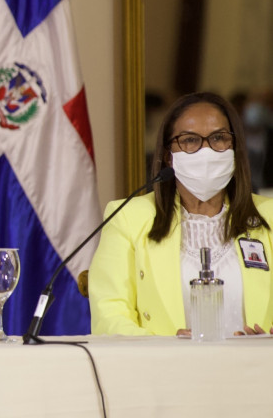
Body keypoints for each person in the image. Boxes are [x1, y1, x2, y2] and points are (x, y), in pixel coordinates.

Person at [90, 92, 273, 336]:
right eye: (190, 140)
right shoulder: (128, 218)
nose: (206, 151)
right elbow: (109, 317)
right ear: (168, 156)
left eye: (218, 138)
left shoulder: (269, 215)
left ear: (234, 147)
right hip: (161, 360)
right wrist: (168, 348)